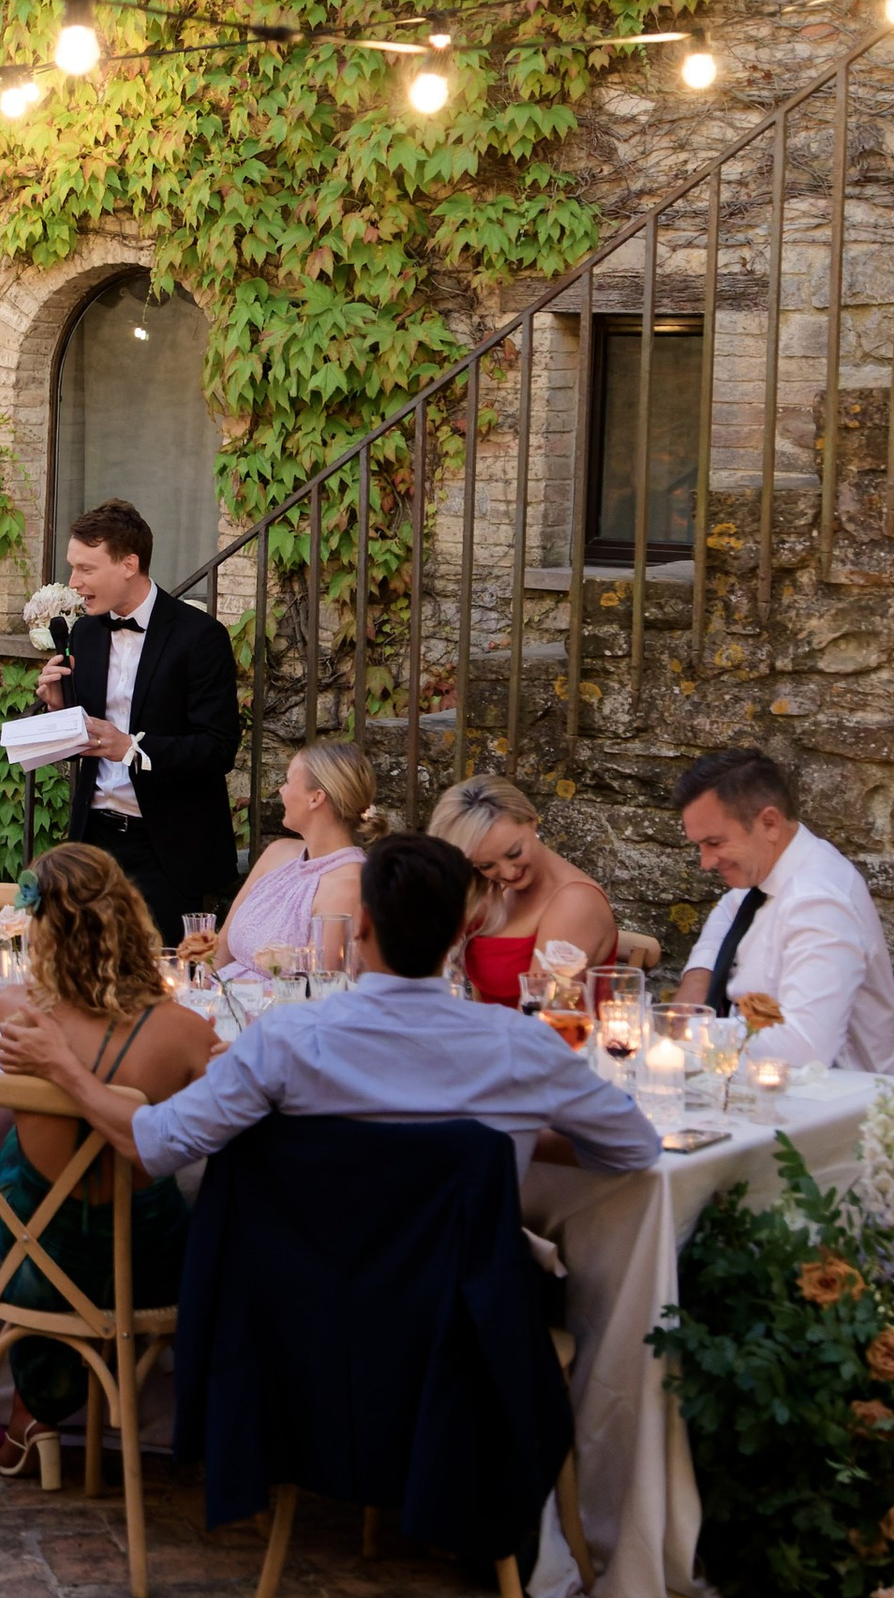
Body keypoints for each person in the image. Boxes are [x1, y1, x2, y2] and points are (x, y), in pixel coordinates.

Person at [34, 833, 663, 1184]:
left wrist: (65, 1070)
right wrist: (508, 1126)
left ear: (358, 926)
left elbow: (155, 1142)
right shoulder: (521, 1047)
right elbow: (634, 1148)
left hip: (308, 1329)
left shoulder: (282, 1040)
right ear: (457, 938)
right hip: (455, 1339)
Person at [0, 845, 218, 1464]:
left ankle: (32, 1411)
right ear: (130, 917)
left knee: (21, 1172)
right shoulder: (188, 1035)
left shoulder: (18, 1012)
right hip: (141, 1268)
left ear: (40, 931)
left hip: (28, 1266)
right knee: (204, 1195)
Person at [34, 499, 242, 943]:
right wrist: (58, 708)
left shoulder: (200, 636)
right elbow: (84, 738)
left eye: (86, 569)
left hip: (166, 848)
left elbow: (218, 747)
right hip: (93, 840)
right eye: (73, 568)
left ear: (129, 564)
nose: (74, 583)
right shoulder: (86, 634)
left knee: (159, 979)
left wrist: (131, 748)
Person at [671, 749, 894, 1078]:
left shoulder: (819, 903)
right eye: (700, 846)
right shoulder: (770, 873)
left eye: (714, 843)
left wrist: (693, 1031)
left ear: (769, 823)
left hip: (829, 1108)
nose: (705, 862)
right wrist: (697, 981)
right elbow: (727, 912)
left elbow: (805, 1047)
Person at [428, 773, 619, 997]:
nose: (508, 872)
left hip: (547, 1030)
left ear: (532, 821)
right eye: (487, 865)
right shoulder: (490, 889)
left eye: (514, 853)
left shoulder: (575, 902)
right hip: (492, 1029)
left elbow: (538, 1014)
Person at [220, 745, 384, 971]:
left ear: (316, 798)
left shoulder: (348, 887)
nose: (281, 790)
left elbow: (319, 987)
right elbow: (221, 950)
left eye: (287, 781)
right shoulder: (277, 853)